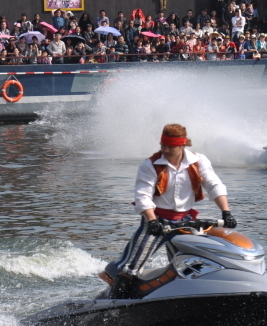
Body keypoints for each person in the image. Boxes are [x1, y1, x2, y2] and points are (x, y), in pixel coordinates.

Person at [99, 124, 237, 299]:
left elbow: (214, 185)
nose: (165, 150)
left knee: (198, 261)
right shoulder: (150, 165)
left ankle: (196, 295)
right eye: (163, 145)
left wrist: (226, 212)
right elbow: (143, 196)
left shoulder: (198, 161)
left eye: (170, 146)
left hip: (186, 222)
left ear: (183, 145)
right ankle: (114, 303)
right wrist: (151, 220)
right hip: (156, 222)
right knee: (131, 267)